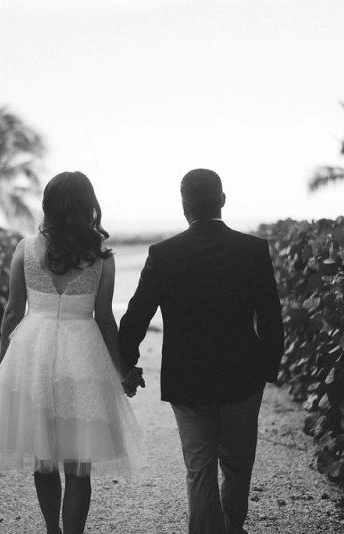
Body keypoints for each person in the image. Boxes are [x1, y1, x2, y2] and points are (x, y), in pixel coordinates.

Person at [0, 171, 144, 534]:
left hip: (33, 353)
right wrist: (122, 369)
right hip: (83, 355)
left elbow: (12, 312)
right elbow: (105, 318)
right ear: (88, 206)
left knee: (43, 457)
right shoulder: (101, 257)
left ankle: (52, 530)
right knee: (79, 465)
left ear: (48, 205)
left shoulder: (25, 249)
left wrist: (2, 367)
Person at [118, 168, 284, 534]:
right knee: (238, 464)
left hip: (187, 379)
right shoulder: (253, 250)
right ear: (222, 200)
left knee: (199, 467)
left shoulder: (163, 254)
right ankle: (232, 525)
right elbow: (271, 316)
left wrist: (126, 363)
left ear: (184, 206)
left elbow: (136, 316)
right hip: (243, 376)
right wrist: (268, 369)